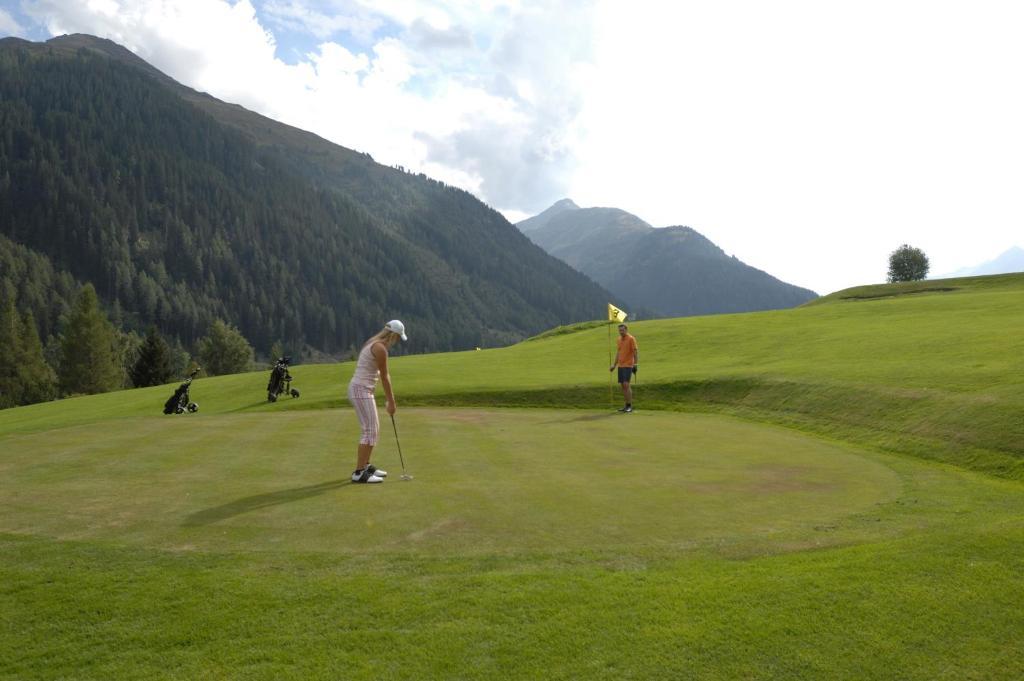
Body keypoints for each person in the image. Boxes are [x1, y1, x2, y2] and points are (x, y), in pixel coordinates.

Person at [348, 320, 407, 483]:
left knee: (372, 429)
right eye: (397, 338)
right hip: (361, 389)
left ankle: (365, 466)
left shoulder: (373, 342)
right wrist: (391, 402)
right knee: (370, 430)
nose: (396, 341)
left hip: (361, 389)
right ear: (393, 335)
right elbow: (385, 377)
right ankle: (359, 473)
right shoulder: (380, 348)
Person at [609, 323, 638, 412]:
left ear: (626, 330)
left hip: (628, 365)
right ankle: (626, 406)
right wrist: (614, 365)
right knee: (622, 386)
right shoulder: (619, 339)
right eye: (619, 330)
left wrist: (636, 364)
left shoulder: (631, 339)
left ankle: (629, 406)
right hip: (620, 365)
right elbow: (618, 353)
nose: (621, 332)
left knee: (626, 384)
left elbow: (635, 352)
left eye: (622, 330)